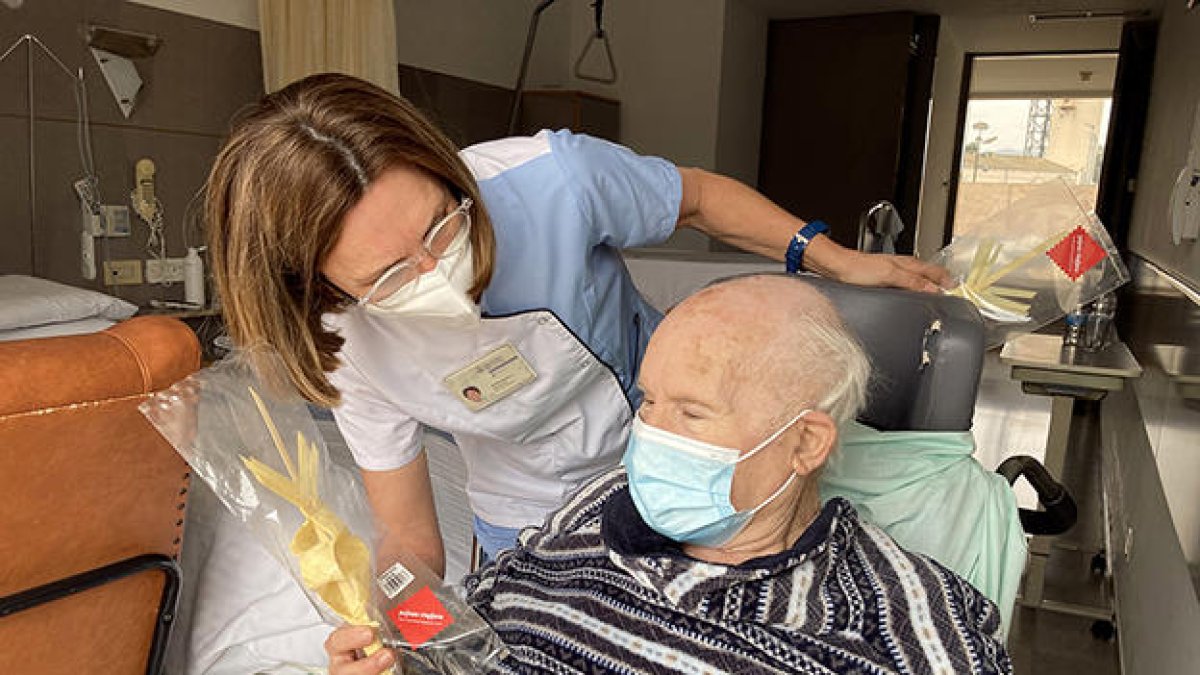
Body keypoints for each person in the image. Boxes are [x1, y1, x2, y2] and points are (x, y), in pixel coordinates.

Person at [205, 72, 952, 574]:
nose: (443, 273)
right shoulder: (343, 346)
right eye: (390, 275)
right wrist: (397, 624)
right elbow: (408, 541)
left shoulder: (550, 182)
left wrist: (835, 260)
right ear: (318, 287)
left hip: (680, 457)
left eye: (442, 226)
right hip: (523, 513)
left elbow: (695, 199)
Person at [325, 275, 1011, 675]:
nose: (650, 433)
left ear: (805, 443)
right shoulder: (593, 509)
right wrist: (395, 653)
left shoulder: (895, 619)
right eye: (650, 400)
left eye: (692, 411)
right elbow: (472, 626)